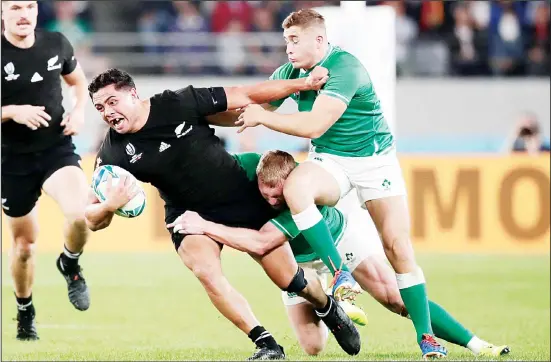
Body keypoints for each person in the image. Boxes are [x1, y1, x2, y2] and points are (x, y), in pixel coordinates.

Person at [84, 68, 361, 360]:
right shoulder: (113, 153)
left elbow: (245, 94)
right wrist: (107, 205)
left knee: (288, 279)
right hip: (187, 213)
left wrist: (302, 83)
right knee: (206, 272)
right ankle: (266, 344)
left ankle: (326, 306)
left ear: (133, 94)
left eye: (112, 102)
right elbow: (90, 217)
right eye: (100, 107)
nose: (107, 112)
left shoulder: (179, 103)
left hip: (239, 193)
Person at [235, 8, 446, 359]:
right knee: (297, 187)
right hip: (331, 160)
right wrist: (197, 110)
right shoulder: (291, 73)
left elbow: (315, 125)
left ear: (319, 39)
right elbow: (249, 104)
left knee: (396, 248)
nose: (287, 47)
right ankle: (339, 275)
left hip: (373, 160)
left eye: (294, 39)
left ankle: (427, 338)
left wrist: (265, 119)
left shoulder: (345, 68)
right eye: (285, 40)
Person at [172, 150, 511, 358]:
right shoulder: (248, 169)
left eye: (279, 196)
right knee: (312, 347)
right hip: (295, 264)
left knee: (395, 298)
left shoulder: (296, 195)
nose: (273, 201)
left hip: (338, 240)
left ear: (290, 182)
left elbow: (261, 243)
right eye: (267, 194)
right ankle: (331, 304)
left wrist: (204, 225)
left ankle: (477, 344)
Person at [1, 0, 91, 341]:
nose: (23, 14)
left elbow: (78, 83)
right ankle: (25, 310)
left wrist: (80, 111)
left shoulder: (56, 43)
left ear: (37, 11)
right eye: (14, 8)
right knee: (24, 246)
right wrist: (11, 111)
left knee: (79, 213)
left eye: (29, 6)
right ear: (2, 14)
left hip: (56, 149)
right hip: (11, 161)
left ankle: (70, 263)